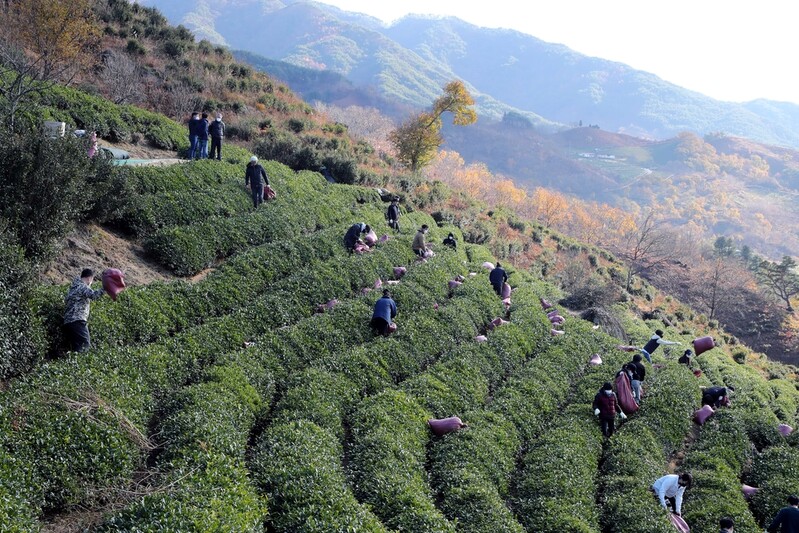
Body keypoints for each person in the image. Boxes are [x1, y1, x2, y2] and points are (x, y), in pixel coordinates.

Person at [63, 268, 106, 353]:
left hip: (68, 321)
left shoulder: (73, 287)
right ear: (89, 278)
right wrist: (105, 288)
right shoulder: (82, 287)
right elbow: (94, 295)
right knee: (84, 345)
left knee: (77, 347)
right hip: (77, 320)